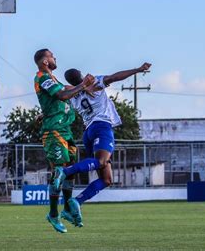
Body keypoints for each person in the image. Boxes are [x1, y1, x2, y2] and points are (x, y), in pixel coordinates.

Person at [53, 62, 151, 226]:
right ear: (82, 76)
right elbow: (114, 77)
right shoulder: (93, 83)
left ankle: (76, 203)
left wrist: (44, 114)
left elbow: (61, 95)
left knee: (106, 179)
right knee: (100, 162)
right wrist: (138, 70)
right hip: (102, 127)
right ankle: (64, 171)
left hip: (89, 132)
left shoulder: (72, 93)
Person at [33, 48, 95, 233]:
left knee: (69, 171)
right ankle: (53, 214)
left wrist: (89, 86)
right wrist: (83, 85)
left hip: (64, 130)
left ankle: (67, 208)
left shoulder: (52, 79)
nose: (55, 58)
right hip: (54, 131)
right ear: (45, 61)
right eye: (52, 55)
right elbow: (62, 95)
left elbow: (64, 91)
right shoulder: (42, 77)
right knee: (59, 170)